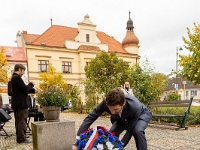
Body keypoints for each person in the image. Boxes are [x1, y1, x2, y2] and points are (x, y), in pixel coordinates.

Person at [72, 88, 152, 150]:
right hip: (121, 117)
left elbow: (129, 131)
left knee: (137, 130)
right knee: (111, 134)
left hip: (141, 115)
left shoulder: (135, 106)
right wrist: (77, 141)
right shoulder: (105, 102)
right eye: (110, 109)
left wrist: (120, 146)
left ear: (123, 103)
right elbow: (90, 117)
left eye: (115, 109)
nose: (112, 112)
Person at [11, 64, 36, 143]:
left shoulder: (14, 78)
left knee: (19, 121)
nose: (24, 72)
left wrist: (33, 91)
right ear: (19, 69)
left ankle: (21, 136)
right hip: (21, 104)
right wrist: (31, 84)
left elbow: (22, 90)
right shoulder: (16, 78)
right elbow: (25, 88)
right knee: (22, 121)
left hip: (18, 104)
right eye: (23, 70)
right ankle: (21, 138)